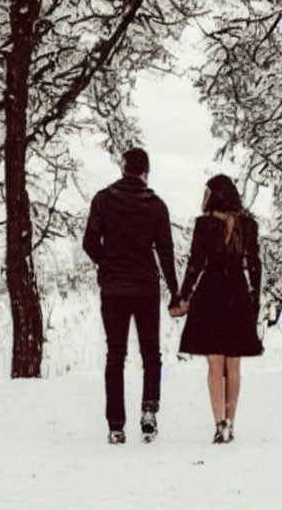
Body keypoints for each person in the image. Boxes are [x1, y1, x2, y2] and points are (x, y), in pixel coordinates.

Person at [83, 147, 180, 445]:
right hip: (146, 286)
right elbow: (165, 252)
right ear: (145, 171)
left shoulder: (102, 200)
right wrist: (175, 292)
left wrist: (107, 262)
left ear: (124, 167)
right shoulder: (156, 206)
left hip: (113, 287)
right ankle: (149, 412)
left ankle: (116, 425)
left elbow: (89, 242)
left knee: (116, 355)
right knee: (151, 353)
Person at [173, 174, 263, 444]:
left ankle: (218, 423)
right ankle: (231, 422)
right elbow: (255, 264)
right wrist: (254, 300)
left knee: (215, 363)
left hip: (211, 293)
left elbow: (196, 263)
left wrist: (183, 294)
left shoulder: (204, 224)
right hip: (237, 292)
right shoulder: (248, 225)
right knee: (233, 364)